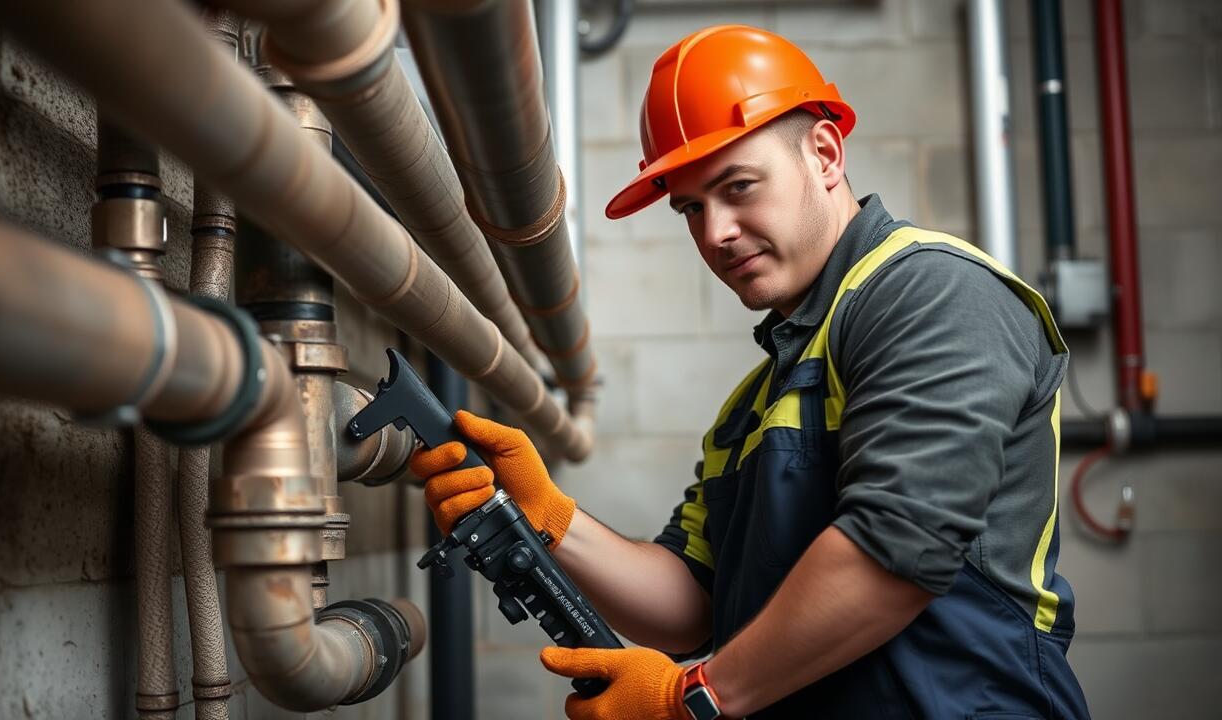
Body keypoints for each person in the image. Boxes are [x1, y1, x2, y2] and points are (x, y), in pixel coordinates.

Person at [410, 24, 1091, 720]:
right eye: (692, 208)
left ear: (824, 155)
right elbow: (689, 606)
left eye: (739, 187)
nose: (715, 233)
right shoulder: (756, 400)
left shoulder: (931, 292)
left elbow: (898, 549)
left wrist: (694, 698)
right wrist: (547, 517)